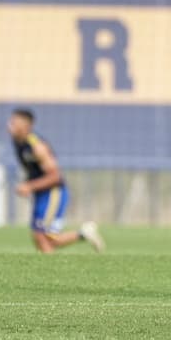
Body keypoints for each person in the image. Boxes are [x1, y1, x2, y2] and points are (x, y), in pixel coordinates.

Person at [7, 108, 105, 254]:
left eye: (14, 123)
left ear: (26, 126)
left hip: (53, 192)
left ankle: (51, 270)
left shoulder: (37, 146)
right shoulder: (18, 142)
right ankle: (84, 234)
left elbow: (55, 176)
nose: (9, 126)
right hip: (41, 193)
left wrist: (29, 186)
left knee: (42, 236)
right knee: (44, 238)